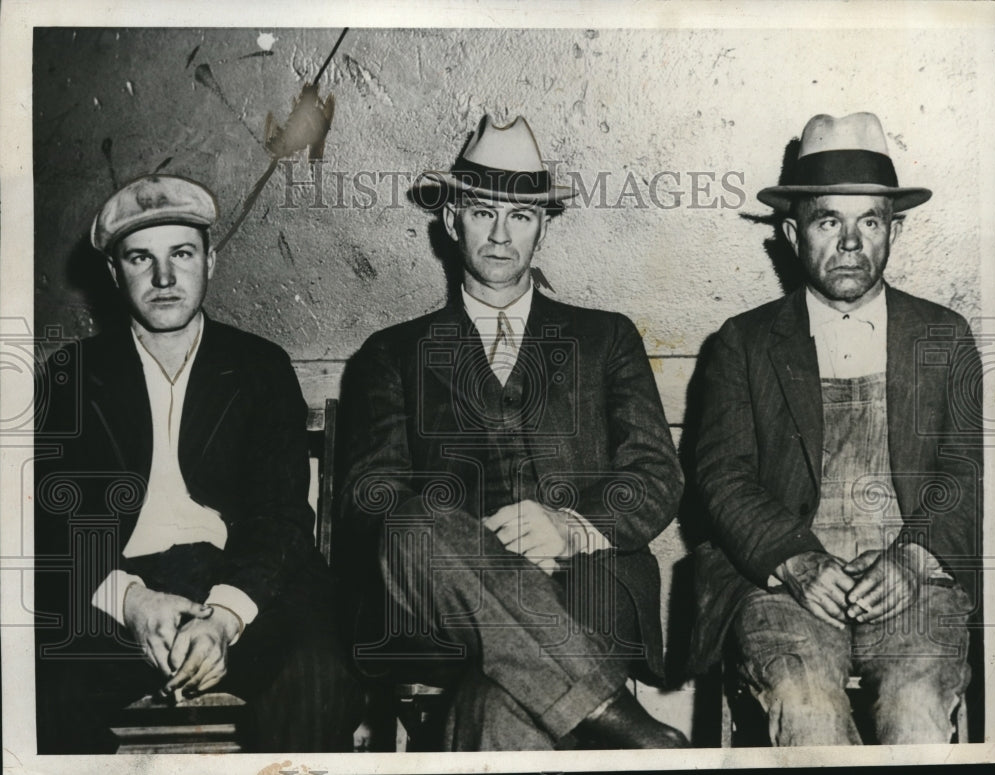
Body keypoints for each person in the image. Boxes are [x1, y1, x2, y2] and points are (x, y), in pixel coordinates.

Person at [336, 115, 688, 750]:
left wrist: (570, 527)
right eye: (481, 213)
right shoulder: (391, 353)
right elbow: (370, 499)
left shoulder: (605, 337)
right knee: (413, 523)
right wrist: (478, 549)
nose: (500, 236)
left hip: (589, 577)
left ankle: (609, 717)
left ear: (543, 227)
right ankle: (632, 730)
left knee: (502, 697)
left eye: (520, 216)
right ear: (450, 222)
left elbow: (656, 476)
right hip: (448, 599)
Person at [34, 174, 361, 753]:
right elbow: (56, 520)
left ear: (210, 260)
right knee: (44, 681)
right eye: (141, 258)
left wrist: (225, 618)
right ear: (115, 273)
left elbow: (282, 515)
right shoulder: (74, 373)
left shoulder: (259, 366)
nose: (164, 279)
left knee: (315, 672)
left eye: (181, 254)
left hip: (244, 581)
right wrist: (130, 601)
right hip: (121, 581)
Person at [690, 112, 982, 745]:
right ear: (794, 234)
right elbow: (722, 476)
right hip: (785, 585)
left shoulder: (944, 336)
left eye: (869, 222)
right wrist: (795, 561)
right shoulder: (742, 343)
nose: (850, 243)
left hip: (914, 581)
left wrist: (910, 559)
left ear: (894, 232)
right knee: (805, 705)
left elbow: (963, 473)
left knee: (915, 705)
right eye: (830, 221)